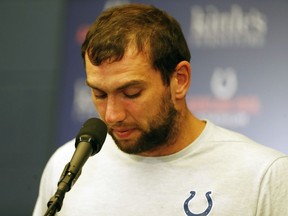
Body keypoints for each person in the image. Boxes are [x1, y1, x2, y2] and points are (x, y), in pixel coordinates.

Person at [33, 3, 288, 216]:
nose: (111, 115)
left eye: (131, 93)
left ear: (179, 80)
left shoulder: (264, 176)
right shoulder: (67, 166)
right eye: (99, 94)